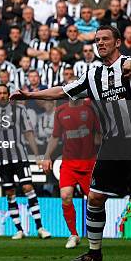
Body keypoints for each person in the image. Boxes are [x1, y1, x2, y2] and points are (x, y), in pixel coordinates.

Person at [10, 25, 131, 261]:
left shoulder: (129, 64)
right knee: (96, 198)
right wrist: (29, 95)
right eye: (97, 40)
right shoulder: (93, 75)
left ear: (118, 42)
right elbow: (62, 91)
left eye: (105, 39)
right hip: (112, 145)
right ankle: (94, 252)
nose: (100, 43)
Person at [0, 84, 52, 240]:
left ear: (8, 94)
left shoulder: (19, 110)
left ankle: (40, 228)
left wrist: (37, 156)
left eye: (4, 93)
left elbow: (28, 134)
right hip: (2, 159)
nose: (2, 95)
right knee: (10, 193)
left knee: (28, 187)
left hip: (20, 156)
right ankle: (19, 229)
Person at [41, 96, 99, 249]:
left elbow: (100, 133)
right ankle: (73, 234)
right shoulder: (60, 111)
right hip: (69, 163)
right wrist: (47, 156)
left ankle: (95, 236)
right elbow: (55, 136)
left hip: (89, 163)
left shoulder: (91, 107)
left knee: (95, 201)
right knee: (65, 196)